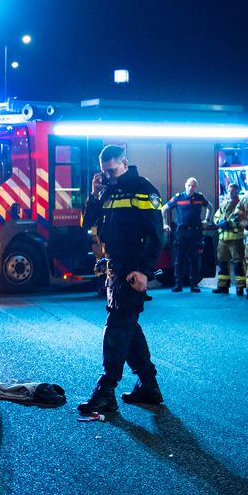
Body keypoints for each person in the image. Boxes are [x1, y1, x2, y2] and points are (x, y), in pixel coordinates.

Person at [78, 144, 164, 414]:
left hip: (132, 270)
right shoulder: (107, 190)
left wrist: (144, 272)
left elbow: (156, 235)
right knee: (128, 326)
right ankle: (148, 386)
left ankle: (107, 390)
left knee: (117, 326)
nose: (109, 176)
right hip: (114, 269)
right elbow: (86, 222)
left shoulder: (142, 188)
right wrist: (95, 193)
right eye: (104, 172)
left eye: (112, 171)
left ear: (124, 163)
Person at [161, 176, 210, 292]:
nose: (191, 188)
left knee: (194, 259)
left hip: (195, 232)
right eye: (189, 185)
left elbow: (210, 207)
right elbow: (164, 209)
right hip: (181, 233)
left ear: (195, 187)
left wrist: (207, 220)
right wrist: (164, 224)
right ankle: (178, 284)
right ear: (185, 185)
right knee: (179, 259)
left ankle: (194, 284)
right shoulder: (178, 198)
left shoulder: (199, 197)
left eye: (193, 186)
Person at [211, 181, 245, 295]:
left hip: (235, 238)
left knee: (238, 263)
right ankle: (222, 286)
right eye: (229, 190)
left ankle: (240, 287)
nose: (230, 192)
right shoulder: (224, 204)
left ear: (237, 191)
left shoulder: (240, 204)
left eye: (232, 190)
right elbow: (216, 216)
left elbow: (242, 220)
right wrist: (218, 222)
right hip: (223, 239)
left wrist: (229, 223)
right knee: (222, 262)